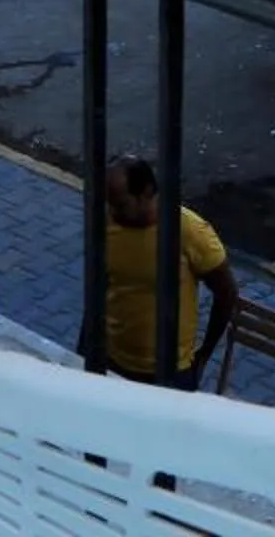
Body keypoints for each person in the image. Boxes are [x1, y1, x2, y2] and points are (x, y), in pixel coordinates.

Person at [90, 154, 236, 389]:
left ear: (146, 192)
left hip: (170, 374)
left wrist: (203, 355)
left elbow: (226, 294)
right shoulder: (107, 222)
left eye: (121, 205)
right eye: (109, 204)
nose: (113, 212)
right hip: (113, 361)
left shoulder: (189, 231)